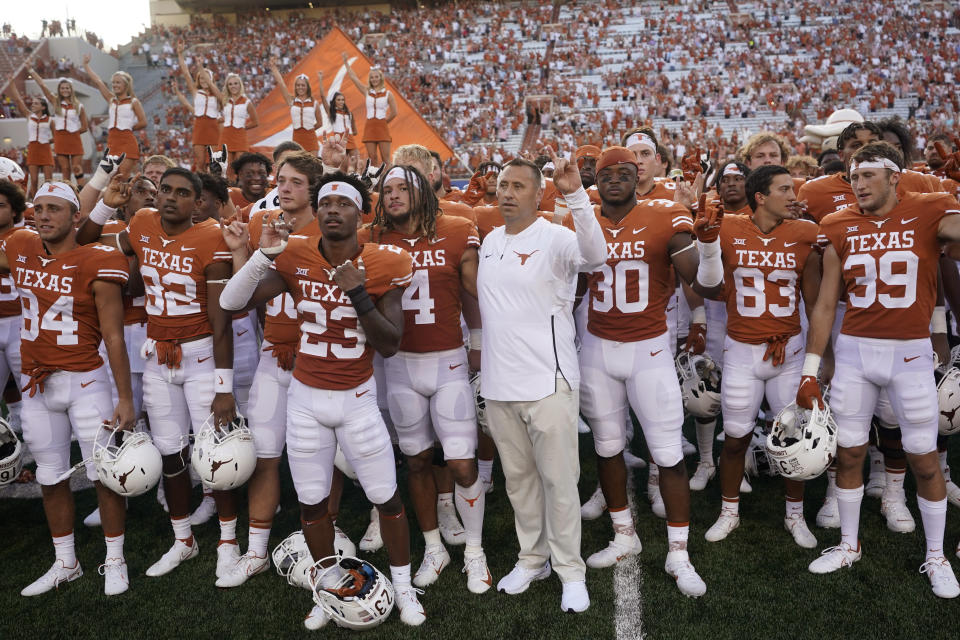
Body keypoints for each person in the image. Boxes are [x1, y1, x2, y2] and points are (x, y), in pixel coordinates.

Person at [219, 171, 426, 628]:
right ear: (318, 211)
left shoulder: (386, 262)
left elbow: (390, 343)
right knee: (312, 502)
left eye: (344, 203)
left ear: (360, 214)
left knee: (386, 497)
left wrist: (356, 290)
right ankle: (328, 587)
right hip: (306, 398)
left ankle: (406, 587)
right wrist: (262, 255)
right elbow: (234, 303)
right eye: (326, 202)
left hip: (356, 398)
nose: (333, 210)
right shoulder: (294, 255)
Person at [797, 141, 960, 598]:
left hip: (909, 353)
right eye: (853, 176)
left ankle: (936, 554)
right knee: (848, 452)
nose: (858, 183)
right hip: (854, 352)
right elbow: (827, 302)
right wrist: (811, 368)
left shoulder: (929, 209)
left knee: (924, 458)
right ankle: (849, 544)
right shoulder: (838, 224)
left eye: (869, 174)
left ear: (895, 175)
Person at [75, 168, 238, 583]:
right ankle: (183, 539)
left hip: (200, 353)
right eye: (165, 189)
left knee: (217, 457)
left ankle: (228, 542)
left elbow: (221, 322)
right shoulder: (142, 223)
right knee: (171, 453)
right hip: (157, 358)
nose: (170, 198)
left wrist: (224, 387)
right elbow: (85, 240)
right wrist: (108, 202)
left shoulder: (212, 237)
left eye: (183, 193)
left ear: (197, 202)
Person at [477, 152, 605, 613]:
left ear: (538, 192)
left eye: (517, 186)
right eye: (502, 185)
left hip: (549, 382)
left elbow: (595, 257)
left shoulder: (556, 237)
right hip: (498, 385)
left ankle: (571, 570)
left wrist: (577, 195)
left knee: (559, 482)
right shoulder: (490, 239)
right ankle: (533, 559)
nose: (506, 193)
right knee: (519, 482)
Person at [576, 146, 708, 596]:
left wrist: (703, 244)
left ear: (639, 176)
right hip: (596, 346)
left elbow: (700, 280)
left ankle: (678, 552)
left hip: (648, 348)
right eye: (605, 172)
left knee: (668, 451)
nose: (615, 178)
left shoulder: (666, 215)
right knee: (607, 446)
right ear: (595, 179)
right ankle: (623, 535)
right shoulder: (581, 217)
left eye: (624, 171)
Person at [1, 182, 135, 596]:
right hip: (37, 384)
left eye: (53, 209)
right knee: (50, 476)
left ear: (76, 216)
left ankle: (115, 558)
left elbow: (114, 337)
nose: (42, 216)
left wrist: (125, 398)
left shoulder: (98, 260)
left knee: (104, 474)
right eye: (38, 208)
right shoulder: (20, 247)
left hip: (85, 382)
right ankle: (66, 562)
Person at [361, 164, 490, 593]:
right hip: (398, 366)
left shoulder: (456, 229)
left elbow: (480, 289)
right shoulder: (372, 238)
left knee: (460, 460)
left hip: (448, 360)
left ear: (425, 193)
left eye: (403, 188)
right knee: (415, 458)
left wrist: (482, 339)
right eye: (387, 189)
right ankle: (434, 547)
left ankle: (475, 550)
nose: (393, 195)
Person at [215, 151, 324, 589]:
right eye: (282, 179)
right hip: (272, 355)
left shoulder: (330, 228)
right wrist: (244, 251)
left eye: (295, 181)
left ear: (313, 189)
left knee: (320, 459)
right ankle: (256, 550)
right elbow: (243, 298)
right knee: (265, 456)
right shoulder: (267, 223)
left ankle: (325, 541)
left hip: (317, 359)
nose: (284, 187)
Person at [699, 165, 821, 548]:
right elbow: (709, 284)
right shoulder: (730, 228)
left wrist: (820, 360)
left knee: (792, 438)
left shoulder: (805, 232)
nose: (793, 194)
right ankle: (729, 511)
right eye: (784, 188)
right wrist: (705, 239)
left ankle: (795, 516)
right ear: (761, 196)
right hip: (741, 350)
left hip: (789, 349)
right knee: (735, 438)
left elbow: (815, 302)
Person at [82, 54, 146, 178]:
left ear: (126, 85)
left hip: (127, 140)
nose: (115, 85)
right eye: (113, 83)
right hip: (112, 141)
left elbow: (143, 122)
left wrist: (128, 127)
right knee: (112, 177)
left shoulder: (134, 101)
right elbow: (98, 81)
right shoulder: (111, 99)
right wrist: (86, 65)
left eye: (118, 82)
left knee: (123, 175)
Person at [27, 69, 88, 186]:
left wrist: (73, 133)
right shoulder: (55, 102)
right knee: (65, 169)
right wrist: (31, 70)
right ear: (59, 90)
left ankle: (81, 191)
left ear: (71, 89)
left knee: (76, 167)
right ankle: (67, 192)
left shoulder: (79, 106)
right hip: (60, 139)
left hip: (74, 139)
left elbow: (85, 127)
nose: (65, 90)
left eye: (67, 88)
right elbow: (42, 85)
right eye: (62, 88)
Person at [173, 41, 223, 173]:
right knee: (200, 161)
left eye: (206, 78)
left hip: (213, 126)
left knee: (214, 161)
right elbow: (185, 73)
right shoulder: (196, 92)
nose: (203, 81)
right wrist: (180, 54)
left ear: (211, 80)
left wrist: (201, 68)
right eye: (201, 78)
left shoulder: (217, 94)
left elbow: (222, 99)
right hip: (199, 126)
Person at [343, 52, 397, 167]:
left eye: (376, 77)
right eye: (372, 77)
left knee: (386, 159)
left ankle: (388, 180)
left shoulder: (388, 94)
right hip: (369, 127)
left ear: (380, 78)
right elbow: (354, 78)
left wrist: (384, 122)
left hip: (382, 126)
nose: (374, 79)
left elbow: (394, 112)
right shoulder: (367, 91)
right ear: (370, 79)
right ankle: (375, 183)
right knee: (372, 158)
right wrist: (346, 63)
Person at [4, 84, 53, 199]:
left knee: (48, 180)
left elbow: (58, 137)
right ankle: (35, 202)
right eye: (32, 103)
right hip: (33, 149)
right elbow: (18, 100)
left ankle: (48, 199)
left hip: (45, 149)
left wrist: (47, 141)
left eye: (36, 103)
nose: (33, 105)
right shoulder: (29, 116)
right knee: (34, 179)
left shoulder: (50, 120)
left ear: (43, 107)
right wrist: (12, 83)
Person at [269, 59, 319, 155]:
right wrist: (274, 69)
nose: (300, 87)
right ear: (295, 87)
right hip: (297, 138)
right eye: (298, 85)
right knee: (298, 167)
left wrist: (309, 129)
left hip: (311, 139)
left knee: (312, 167)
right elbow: (282, 85)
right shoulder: (291, 100)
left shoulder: (314, 103)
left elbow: (319, 123)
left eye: (303, 85)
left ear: (307, 87)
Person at [317, 70, 358, 171]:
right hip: (339, 139)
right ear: (334, 102)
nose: (341, 102)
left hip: (350, 138)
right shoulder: (332, 113)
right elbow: (322, 96)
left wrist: (352, 129)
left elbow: (355, 130)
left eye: (342, 100)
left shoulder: (349, 113)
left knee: (355, 162)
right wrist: (320, 79)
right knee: (342, 165)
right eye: (338, 100)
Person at [220, 74, 259, 173]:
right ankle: (228, 188)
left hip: (240, 136)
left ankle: (240, 188)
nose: (233, 86)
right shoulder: (224, 100)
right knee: (227, 167)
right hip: (226, 135)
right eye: (230, 84)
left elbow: (255, 122)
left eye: (235, 83)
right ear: (227, 87)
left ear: (240, 85)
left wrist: (243, 127)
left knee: (241, 166)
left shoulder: (247, 102)